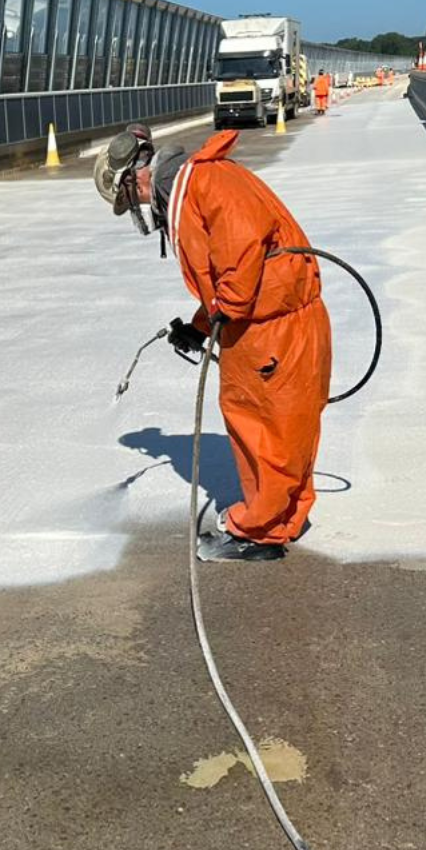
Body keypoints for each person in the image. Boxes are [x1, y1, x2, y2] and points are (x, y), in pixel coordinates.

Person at [95, 124, 333, 562]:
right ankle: (282, 518)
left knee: (263, 430)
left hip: (270, 330)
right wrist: (202, 326)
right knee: (285, 429)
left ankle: (259, 532)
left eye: (134, 200)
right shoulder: (196, 186)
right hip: (273, 323)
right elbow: (228, 271)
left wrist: (225, 310)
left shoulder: (205, 182)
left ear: (137, 177)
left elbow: (242, 254)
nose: (141, 208)